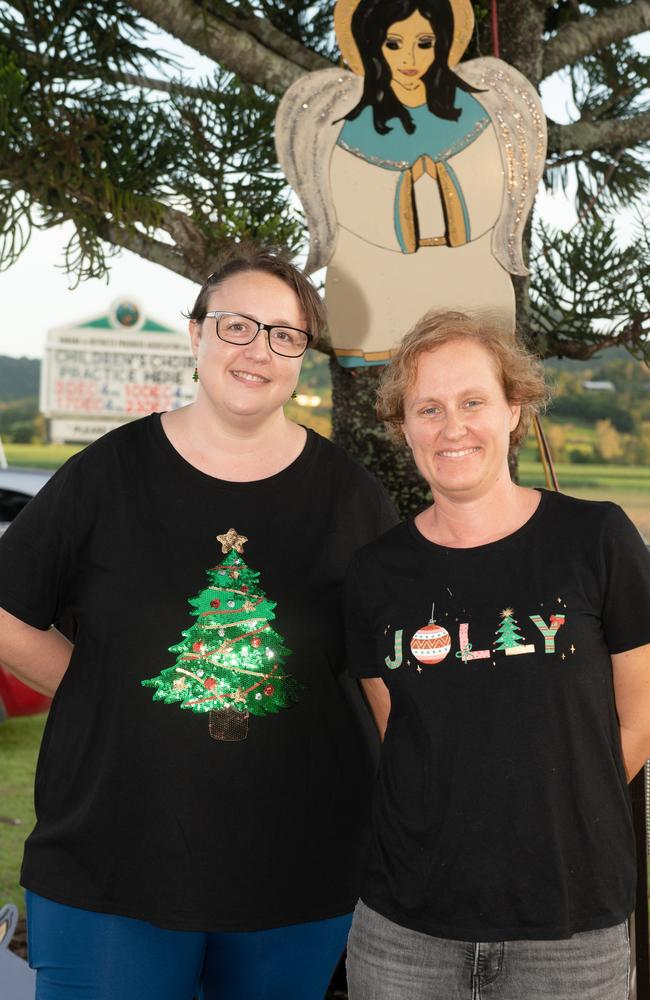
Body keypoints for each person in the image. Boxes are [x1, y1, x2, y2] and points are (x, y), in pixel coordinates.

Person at [0, 245, 397, 1000]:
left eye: (285, 335)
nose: (258, 350)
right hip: (112, 863)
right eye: (237, 325)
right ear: (195, 335)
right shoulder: (108, 476)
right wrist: (95, 685)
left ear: (302, 359)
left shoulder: (352, 500)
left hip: (300, 874)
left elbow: (384, 673)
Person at [343, 310, 650, 999]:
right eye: (428, 408)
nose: (452, 427)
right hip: (406, 937)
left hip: (569, 935)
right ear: (404, 427)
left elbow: (640, 715)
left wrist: (559, 809)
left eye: (473, 401)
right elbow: (402, 734)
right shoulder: (375, 575)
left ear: (514, 408)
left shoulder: (595, 540)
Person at [275, 0, 546, 365]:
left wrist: (440, 179)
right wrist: (405, 188)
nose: (410, 59)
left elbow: (493, 193)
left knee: (479, 353)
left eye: (424, 43)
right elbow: (345, 203)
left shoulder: (479, 106)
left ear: (444, 42)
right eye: (393, 44)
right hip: (377, 284)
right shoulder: (343, 119)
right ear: (370, 44)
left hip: (468, 273)